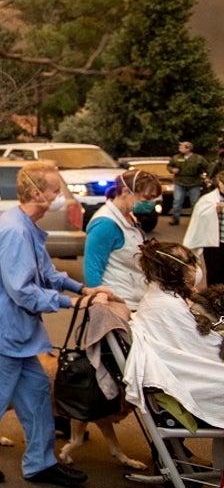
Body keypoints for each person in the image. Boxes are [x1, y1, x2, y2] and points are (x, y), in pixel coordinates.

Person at [0, 161, 116, 488]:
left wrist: (83, 289)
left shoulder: (27, 227)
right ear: (36, 193)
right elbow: (24, 292)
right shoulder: (14, 231)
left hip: (16, 336)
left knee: (38, 393)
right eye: (55, 190)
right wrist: (74, 303)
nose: (60, 196)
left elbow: (47, 274)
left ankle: (40, 463)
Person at [126, 241, 224, 428]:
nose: (197, 268)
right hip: (191, 379)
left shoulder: (164, 297)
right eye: (192, 262)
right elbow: (204, 350)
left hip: (188, 371)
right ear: (178, 270)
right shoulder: (166, 305)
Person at [83, 170, 163, 310]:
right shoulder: (105, 224)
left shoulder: (129, 217)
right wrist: (99, 303)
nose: (149, 203)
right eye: (145, 198)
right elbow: (92, 269)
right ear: (126, 191)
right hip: (117, 303)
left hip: (134, 299)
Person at [183, 171, 224, 286]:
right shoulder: (208, 199)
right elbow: (200, 217)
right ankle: (214, 298)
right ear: (219, 184)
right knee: (215, 272)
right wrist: (213, 210)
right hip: (214, 243)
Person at [168, 141, 209, 226]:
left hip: (194, 183)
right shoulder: (176, 158)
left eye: (182, 147)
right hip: (180, 182)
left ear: (188, 149)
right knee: (177, 201)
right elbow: (169, 166)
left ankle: (194, 220)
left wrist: (207, 176)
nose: (180, 149)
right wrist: (172, 170)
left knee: (195, 202)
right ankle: (175, 219)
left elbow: (207, 167)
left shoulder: (198, 158)